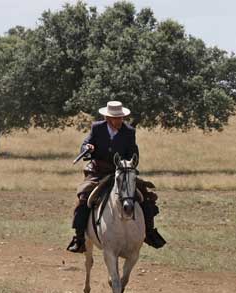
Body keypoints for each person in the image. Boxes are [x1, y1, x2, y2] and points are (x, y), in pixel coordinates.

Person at [66, 101, 166, 253]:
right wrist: (87, 148)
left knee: (145, 196)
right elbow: (86, 143)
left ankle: (149, 232)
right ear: (107, 118)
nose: (119, 121)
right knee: (84, 196)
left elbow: (134, 153)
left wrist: (126, 164)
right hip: (99, 172)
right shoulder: (97, 128)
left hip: (122, 171)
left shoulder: (129, 131)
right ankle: (79, 238)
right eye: (116, 118)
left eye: (121, 117)